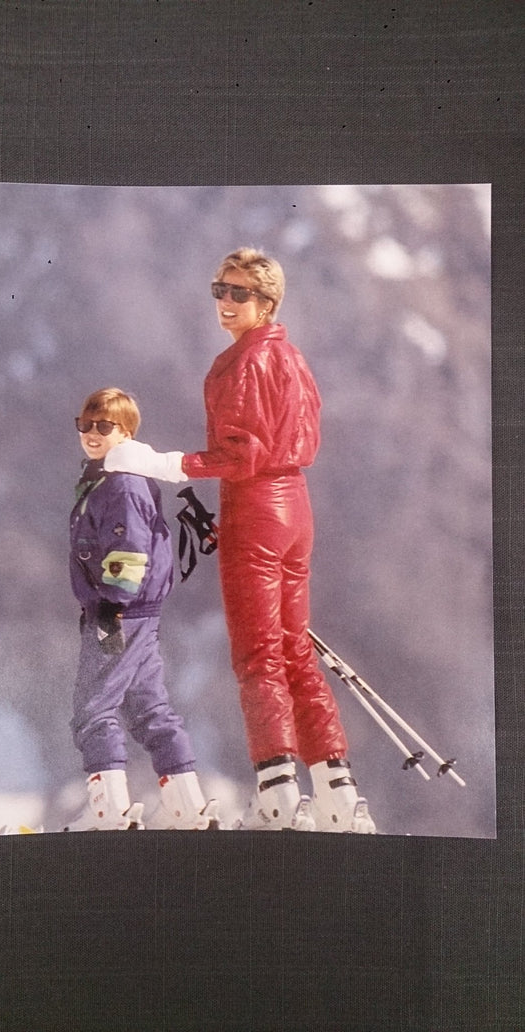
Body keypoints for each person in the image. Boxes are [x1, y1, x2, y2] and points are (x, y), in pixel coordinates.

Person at [105, 249, 376, 833]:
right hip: (294, 507)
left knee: (258, 654)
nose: (225, 303)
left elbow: (242, 454)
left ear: (266, 302)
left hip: (255, 503)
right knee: (294, 647)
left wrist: (165, 463)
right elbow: (288, 442)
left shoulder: (239, 363)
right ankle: (337, 793)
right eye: (219, 290)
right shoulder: (292, 358)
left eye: (238, 293)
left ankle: (277, 791)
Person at [66, 387, 218, 831]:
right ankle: (185, 804)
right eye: (85, 425)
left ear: (126, 431)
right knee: (148, 707)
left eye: (104, 426)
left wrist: (112, 603)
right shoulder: (109, 476)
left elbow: (129, 546)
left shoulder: (122, 481)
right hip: (138, 612)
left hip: (120, 612)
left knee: (93, 708)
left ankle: (108, 809)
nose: (93, 434)